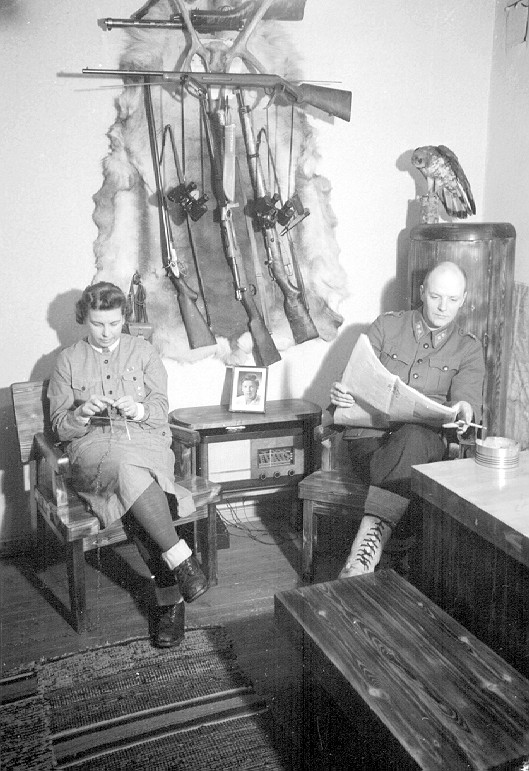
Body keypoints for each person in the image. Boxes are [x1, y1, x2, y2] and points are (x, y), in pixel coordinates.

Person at [48, 281, 208, 648]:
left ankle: (172, 588)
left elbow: (160, 410)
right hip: (95, 452)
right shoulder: (67, 360)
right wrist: (81, 414)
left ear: (124, 318)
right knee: (128, 472)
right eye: (98, 324)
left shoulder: (144, 351)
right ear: (84, 319)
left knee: (133, 476)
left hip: (146, 442)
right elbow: (60, 427)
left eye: (114, 323)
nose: (106, 333)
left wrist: (138, 409)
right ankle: (178, 572)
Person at [330, 261, 485, 578]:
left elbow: (466, 403)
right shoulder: (387, 326)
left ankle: (363, 557)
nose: (442, 307)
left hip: (423, 448)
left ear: (464, 299)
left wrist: (464, 412)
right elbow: (352, 379)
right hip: (369, 444)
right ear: (422, 292)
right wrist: (340, 393)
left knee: (413, 437)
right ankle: (395, 550)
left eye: (452, 299)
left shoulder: (468, 348)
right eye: (435, 296)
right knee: (407, 473)